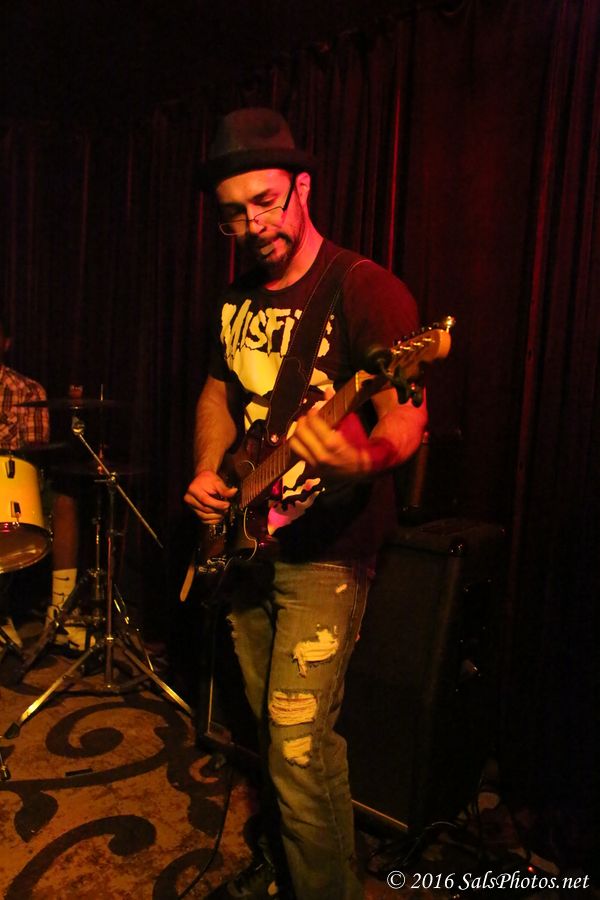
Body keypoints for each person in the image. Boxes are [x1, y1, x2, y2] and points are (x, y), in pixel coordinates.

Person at [184, 108, 427, 900]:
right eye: (233, 214)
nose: (253, 226)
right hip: (246, 540)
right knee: (275, 729)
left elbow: (406, 417)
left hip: (328, 546)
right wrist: (207, 467)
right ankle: (293, 862)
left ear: (303, 187)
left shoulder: (365, 289)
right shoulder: (236, 297)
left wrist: (363, 457)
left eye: (265, 202)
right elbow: (217, 391)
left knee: (294, 738)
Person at [0, 311, 82, 650]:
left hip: (16, 480)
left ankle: (61, 612)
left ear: (6, 343)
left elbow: (35, 449)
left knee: (65, 502)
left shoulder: (28, 389)